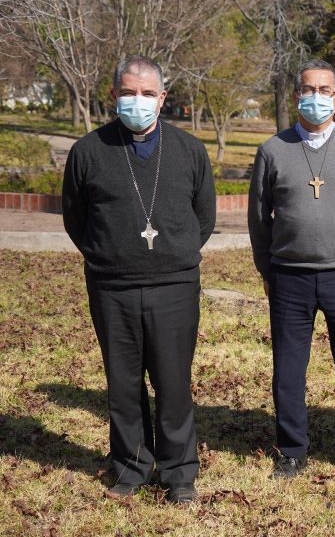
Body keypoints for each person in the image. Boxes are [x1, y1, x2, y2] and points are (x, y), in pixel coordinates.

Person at [62, 55, 216, 504]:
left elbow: (203, 218)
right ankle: (130, 466)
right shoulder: (88, 152)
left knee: (172, 381)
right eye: (129, 92)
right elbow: (76, 218)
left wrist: (174, 255)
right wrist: (107, 254)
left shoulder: (189, 150)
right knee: (123, 383)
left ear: (163, 98)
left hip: (174, 286)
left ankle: (179, 472)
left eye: (148, 93)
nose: (138, 101)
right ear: (113, 95)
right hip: (112, 287)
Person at [248, 59, 335, 481]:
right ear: (296, 96)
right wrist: (268, 269)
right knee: (289, 368)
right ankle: (292, 450)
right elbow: (259, 219)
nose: (316, 97)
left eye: (325, 90)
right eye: (308, 89)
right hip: (290, 275)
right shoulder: (272, 150)